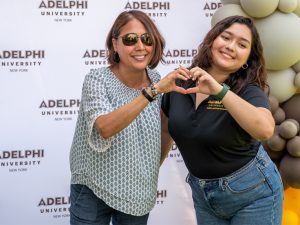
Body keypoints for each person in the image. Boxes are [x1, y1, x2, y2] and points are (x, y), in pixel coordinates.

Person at [159, 16, 284, 225]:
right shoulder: (179, 83)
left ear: (247, 60)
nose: (231, 46)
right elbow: (166, 129)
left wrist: (218, 89)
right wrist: (152, 171)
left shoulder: (248, 91)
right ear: (212, 40)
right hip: (204, 194)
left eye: (242, 45)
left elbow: (265, 130)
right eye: (226, 37)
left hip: (254, 194)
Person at [69, 10, 188, 225]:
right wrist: (152, 92)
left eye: (147, 39)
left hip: (137, 192)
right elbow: (105, 128)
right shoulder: (97, 80)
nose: (140, 47)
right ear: (115, 44)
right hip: (92, 188)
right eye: (131, 39)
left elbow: (163, 130)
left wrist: (149, 169)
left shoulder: (156, 79)